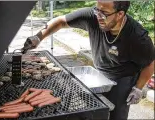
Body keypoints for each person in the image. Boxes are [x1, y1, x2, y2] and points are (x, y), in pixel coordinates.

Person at [21, 1, 154, 120]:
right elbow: (60, 21)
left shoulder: (137, 37)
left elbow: (151, 62)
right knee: (94, 112)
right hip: (98, 73)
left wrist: (138, 88)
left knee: (116, 116)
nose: (98, 16)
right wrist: (38, 37)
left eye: (104, 13)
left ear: (120, 14)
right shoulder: (93, 16)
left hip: (122, 79)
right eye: (97, 10)